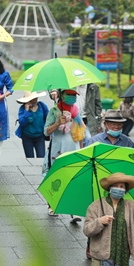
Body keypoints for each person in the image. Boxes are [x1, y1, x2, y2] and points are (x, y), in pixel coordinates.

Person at [44, 89, 83, 217]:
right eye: (69, 95)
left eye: (74, 95)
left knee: (73, 177)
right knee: (56, 176)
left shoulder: (76, 112)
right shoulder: (54, 111)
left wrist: (82, 151)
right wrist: (57, 123)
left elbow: (80, 133)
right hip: (57, 148)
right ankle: (52, 204)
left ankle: (74, 208)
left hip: (73, 147)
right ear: (62, 95)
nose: (72, 97)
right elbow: (46, 132)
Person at [15, 90, 49, 158]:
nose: (34, 101)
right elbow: (22, 122)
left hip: (40, 136)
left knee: (41, 157)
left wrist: (50, 132)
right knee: (30, 158)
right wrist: (26, 111)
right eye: (32, 99)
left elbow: (48, 119)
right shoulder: (22, 109)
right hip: (27, 137)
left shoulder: (42, 106)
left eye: (35, 99)